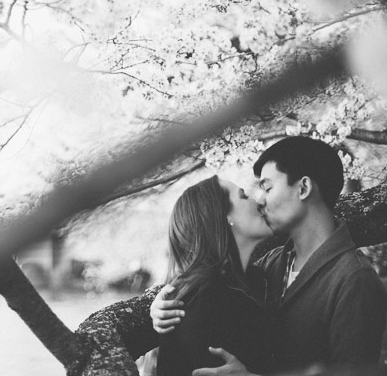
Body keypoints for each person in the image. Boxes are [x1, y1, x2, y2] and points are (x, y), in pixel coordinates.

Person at [151, 136, 387, 375]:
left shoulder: (354, 279)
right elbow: (215, 283)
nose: (259, 200)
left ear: (303, 188)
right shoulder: (270, 265)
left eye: (267, 187)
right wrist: (166, 300)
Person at [156, 175, 274, 375]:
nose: (259, 201)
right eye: (244, 196)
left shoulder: (253, 281)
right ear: (224, 217)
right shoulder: (209, 300)